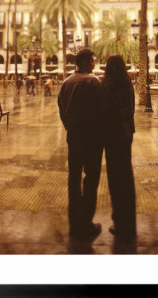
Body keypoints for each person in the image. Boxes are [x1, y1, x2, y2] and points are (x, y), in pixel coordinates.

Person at [58, 49, 103, 239]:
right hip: (91, 136)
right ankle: (87, 221)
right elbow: (102, 108)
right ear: (84, 62)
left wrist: (69, 125)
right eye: (92, 61)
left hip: (74, 135)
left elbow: (61, 108)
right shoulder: (92, 81)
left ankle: (74, 219)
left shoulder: (66, 82)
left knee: (74, 176)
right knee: (91, 177)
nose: (93, 64)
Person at [101, 54, 136, 241]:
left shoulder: (109, 85)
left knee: (115, 179)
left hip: (113, 136)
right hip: (127, 134)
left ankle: (120, 223)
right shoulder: (128, 83)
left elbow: (104, 111)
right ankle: (129, 221)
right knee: (127, 177)